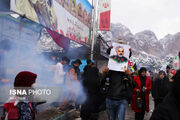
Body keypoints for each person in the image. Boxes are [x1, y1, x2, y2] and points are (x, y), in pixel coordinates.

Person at [104, 39, 134, 120]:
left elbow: (132, 84)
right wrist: (110, 50)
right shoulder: (110, 68)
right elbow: (102, 82)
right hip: (110, 98)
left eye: (122, 51)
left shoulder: (125, 70)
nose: (120, 52)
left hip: (121, 99)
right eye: (118, 50)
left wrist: (129, 76)